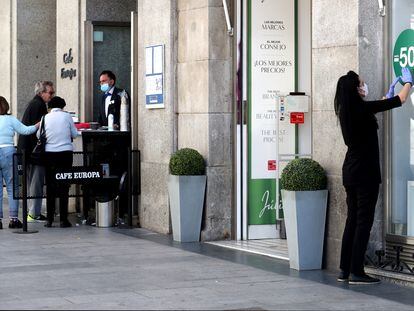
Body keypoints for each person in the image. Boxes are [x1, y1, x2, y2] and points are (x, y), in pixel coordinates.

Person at [334, 67, 413, 285]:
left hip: (351, 171)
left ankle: (344, 270)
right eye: (361, 83)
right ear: (356, 89)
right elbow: (402, 99)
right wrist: (409, 82)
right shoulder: (362, 109)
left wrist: (385, 98)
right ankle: (357, 272)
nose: (364, 86)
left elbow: (374, 107)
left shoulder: (348, 110)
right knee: (363, 222)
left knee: (352, 220)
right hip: (365, 174)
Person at [17, 81, 55, 222]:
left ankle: (32, 212)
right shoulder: (39, 105)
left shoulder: (33, 103)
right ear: (41, 93)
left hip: (27, 149)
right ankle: (34, 213)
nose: (52, 96)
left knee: (31, 182)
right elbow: (39, 130)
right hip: (34, 151)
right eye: (50, 93)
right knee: (36, 182)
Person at [0, 97, 39, 229]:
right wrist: (39, 124)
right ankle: (13, 219)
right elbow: (26, 131)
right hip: (9, 152)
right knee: (13, 187)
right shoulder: (10, 119)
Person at [41, 96, 78, 228]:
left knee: (50, 186)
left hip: (49, 154)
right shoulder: (67, 116)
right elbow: (74, 134)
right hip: (65, 154)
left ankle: (49, 220)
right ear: (62, 106)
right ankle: (63, 220)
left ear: (50, 106)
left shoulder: (45, 117)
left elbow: (39, 135)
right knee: (64, 186)